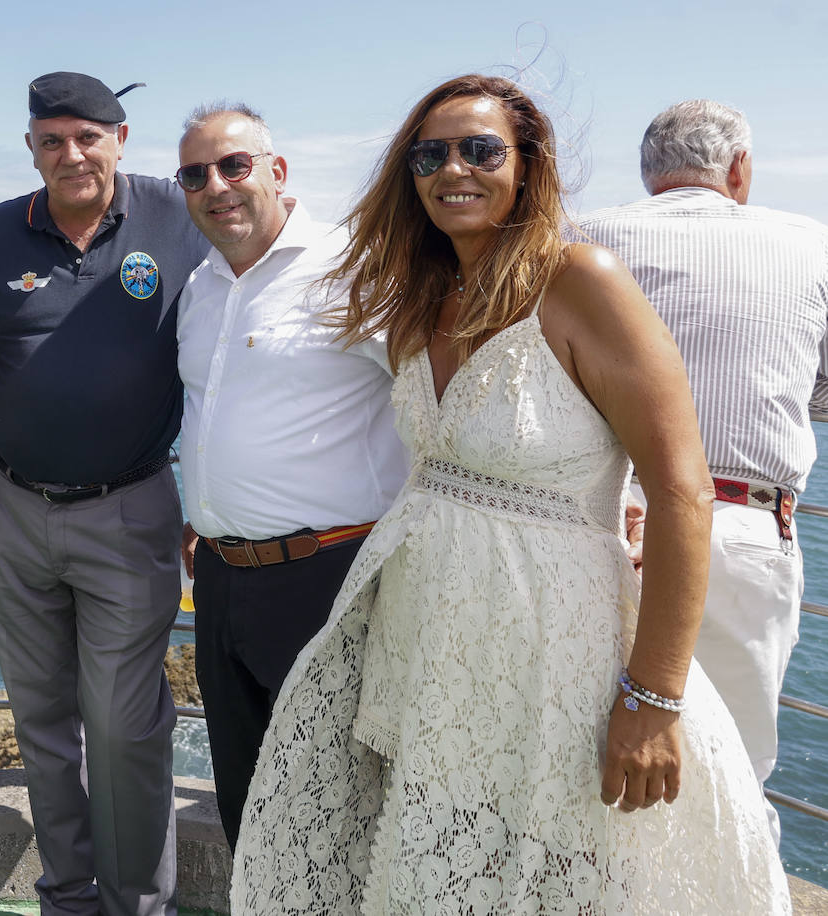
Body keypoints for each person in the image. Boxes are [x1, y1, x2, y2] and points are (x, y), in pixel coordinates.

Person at [230, 75, 790, 914]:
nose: (453, 168)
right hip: (431, 647)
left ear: (528, 165)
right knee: (450, 859)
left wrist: (654, 694)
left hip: (555, 651)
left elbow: (681, 489)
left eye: (481, 149)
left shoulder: (581, 280)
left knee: (568, 865)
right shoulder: (423, 296)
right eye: (431, 153)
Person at [0, 72, 207, 915]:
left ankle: (137, 903)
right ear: (31, 148)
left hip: (130, 508)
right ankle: (67, 894)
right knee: (42, 721)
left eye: (88, 137)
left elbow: (270, 263)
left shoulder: (180, 212)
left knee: (128, 728)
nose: (72, 155)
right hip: (12, 506)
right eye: (53, 140)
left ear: (121, 140)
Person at [578, 99, 828, 845]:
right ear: (740, 169)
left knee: (592, 769)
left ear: (650, 174)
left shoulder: (586, 237)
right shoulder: (812, 245)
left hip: (606, 519)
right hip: (744, 525)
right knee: (734, 778)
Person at [173, 103, 407, 850]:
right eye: (195, 174)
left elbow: (446, 398)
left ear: (277, 171)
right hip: (218, 578)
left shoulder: (356, 269)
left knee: (337, 804)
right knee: (249, 802)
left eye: (234, 165)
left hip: (326, 578)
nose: (217, 185)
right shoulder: (200, 285)